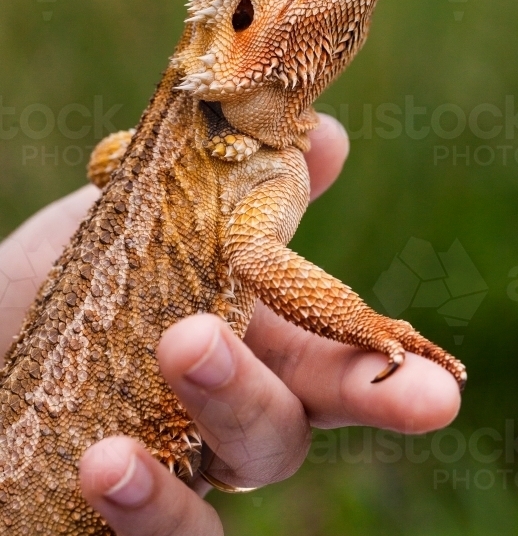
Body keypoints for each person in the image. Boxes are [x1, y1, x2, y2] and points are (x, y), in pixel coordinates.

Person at [0, 115, 461, 536]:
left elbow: (106, 162)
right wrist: (365, 323)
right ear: (239, 21)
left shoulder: (208, 141)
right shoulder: (229, 147)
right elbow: (253, 254)